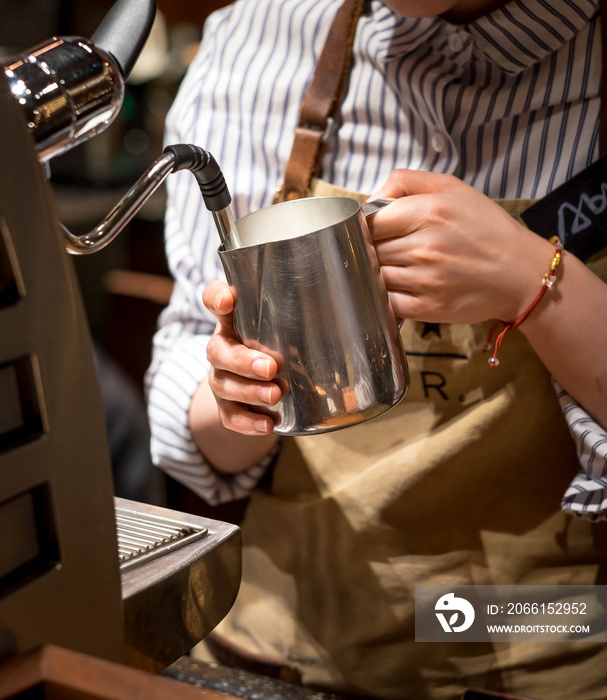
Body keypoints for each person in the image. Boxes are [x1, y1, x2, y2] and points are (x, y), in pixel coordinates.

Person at [146, 0, 607, 697]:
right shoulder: (259, 34)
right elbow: (202, 409)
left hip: (542, 644)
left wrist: (531, 282)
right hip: (278, 643)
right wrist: (235, 394)